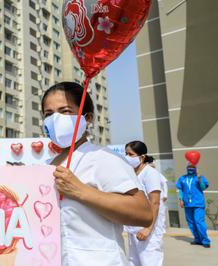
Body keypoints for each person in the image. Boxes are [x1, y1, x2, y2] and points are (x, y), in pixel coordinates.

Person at [41, 82, 152, 265]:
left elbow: (143, 213)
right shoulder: (46, 164)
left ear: (88, 117)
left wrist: (81, 191)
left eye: (66, 111)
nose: (56, 119)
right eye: (49, 114)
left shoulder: (103, 158)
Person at [123, 141, 165, 266]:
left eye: (130, 154)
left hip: (148, 231)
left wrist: (148, 228)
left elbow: (155, 202)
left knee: (150, 262)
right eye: (126, 154)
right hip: (134, 229)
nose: (127, 157)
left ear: (142, 157)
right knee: (134, 263)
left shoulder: (150, 174)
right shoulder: (132, 174)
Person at [176, 163, 211, 248]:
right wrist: (180, 199)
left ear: (195, 168)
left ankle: (205, 241)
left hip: (198, 203)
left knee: (199, 221)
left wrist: (199, 180)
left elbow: (203, 187)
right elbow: (180, 189)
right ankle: (197, 239)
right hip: (187, 203)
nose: (190, 169)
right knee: (191, 222)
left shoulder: (200, 177)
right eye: (189, 167)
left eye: (192, 167)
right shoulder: (182, 178)